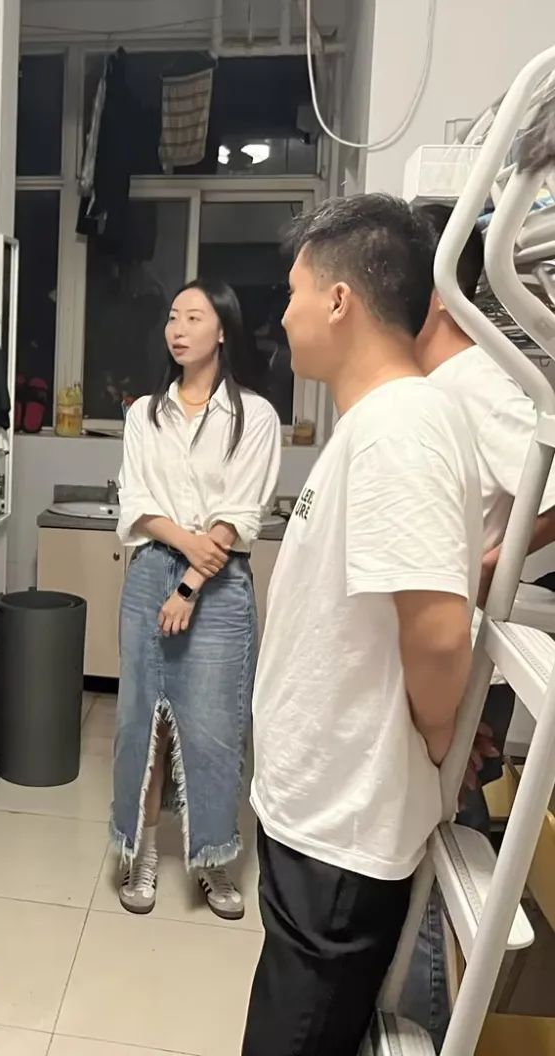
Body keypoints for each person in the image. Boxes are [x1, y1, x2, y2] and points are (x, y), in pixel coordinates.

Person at [242, 194, 482, 1056]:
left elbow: (439, 634)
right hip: (320, 812)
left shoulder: (400, 427)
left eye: (294, 291)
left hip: (343, 831)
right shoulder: (377, 423)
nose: (284, 314)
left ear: (340, 300)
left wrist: (437, 735)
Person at [400, 204, 555, 1046]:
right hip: (432, 658)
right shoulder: (429, 388)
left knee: (431, 859)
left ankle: (427, 1022)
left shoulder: (477, 382)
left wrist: (490, 566)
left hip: (455, 656)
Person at [112, 278, 281, 919]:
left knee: (215, 728)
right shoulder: (144, 414)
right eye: (172, 317)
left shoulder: (255, 416)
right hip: (152, 569)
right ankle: (141, 850)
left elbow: (241, 510)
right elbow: (135, 501)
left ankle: (213, 858)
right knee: (142, 722)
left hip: (220, 583)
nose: (177, 329)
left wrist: (192, 581)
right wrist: (185, 545)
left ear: (223, 330)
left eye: (193, 317)